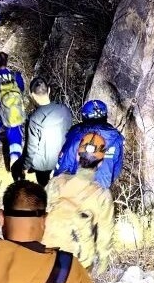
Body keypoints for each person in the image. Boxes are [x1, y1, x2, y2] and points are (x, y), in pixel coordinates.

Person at [42, 137, 117, 272]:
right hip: (77, 262)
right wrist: (103, 260)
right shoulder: (102, 196)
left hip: (45, 252)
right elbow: (105, 233)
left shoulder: (56, 182)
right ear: (100, 163)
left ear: (77, 156)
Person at [12, 78, 72, 186]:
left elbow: (31, 148)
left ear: (32, 95)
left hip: (43, 165)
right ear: (49, 90)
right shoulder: (64, 109)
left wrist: (25, 167)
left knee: (17, 169)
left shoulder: (34, 119)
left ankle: (29, 188)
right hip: (62, 158)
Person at [55, 100, 124, 189]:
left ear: (84, 116)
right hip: (100, 190)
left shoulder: (76, 135)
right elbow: (117, 168)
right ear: (105, 116)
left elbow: (65, 163)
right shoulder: (116, 138)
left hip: (75, 187)